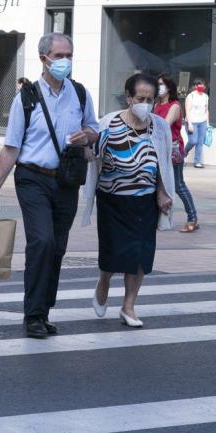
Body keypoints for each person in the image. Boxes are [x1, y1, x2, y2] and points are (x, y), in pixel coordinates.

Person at [0, 32, 99, 339]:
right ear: (44, 58)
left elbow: (94, 131)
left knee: (57, 248)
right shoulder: (27, 97)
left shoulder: (81, 93)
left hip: (67, 181)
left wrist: (86, 136)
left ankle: (43, 311)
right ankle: (32, 315)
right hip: (32, 177)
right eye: (60, 56)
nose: (65, 61)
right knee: (42, 241)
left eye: (69, 55)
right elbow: (11, 147)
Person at [83, 73, 174, 327]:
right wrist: (83, 147)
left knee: (141, 256)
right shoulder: (108, 124)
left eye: (150, 99)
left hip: (144, 201)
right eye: (140, 98)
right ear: (128, 97)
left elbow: (163, 164)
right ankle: (103, 282)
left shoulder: (160, 126)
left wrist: (162, 192)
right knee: (113, 253)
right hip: (112, 200)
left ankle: (128, 306)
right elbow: (93, 158)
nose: (145, 103)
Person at [155, 74, 198, 233]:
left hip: (173, 148)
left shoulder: (174, 106)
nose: (159, 87)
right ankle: (159, 218)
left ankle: (192, 217)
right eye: (157, 84)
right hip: (157, 147)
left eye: (161, 84)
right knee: (157, 183)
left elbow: (164, 126)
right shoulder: (156, 105)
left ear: (169, 87)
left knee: (178, 185)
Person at [184, 78, 209, 168]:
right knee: (193, 141)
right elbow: (187, 110)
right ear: (195, 86)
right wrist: (190, 124)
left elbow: (206, 110)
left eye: (203, 85)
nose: (201, 86)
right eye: (199, 85)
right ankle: (183, 154)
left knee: (200, 142)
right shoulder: (191, 96)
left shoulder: (206, 96)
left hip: (202, 122)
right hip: (192, 122)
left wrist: (207, 123)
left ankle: (197, 162)